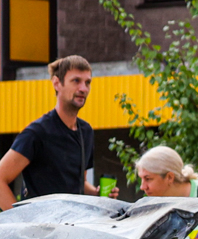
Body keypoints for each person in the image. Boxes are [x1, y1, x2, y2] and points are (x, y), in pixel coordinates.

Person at [0, 56, 118, 209]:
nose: (83, 88)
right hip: (41, 229)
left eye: (87, 82)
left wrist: (98, 194)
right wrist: (22, 221)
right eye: (76, 81)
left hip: (72, 226)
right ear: (57, 83)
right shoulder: (37, 133)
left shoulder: (86, 131)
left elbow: (79, 183)